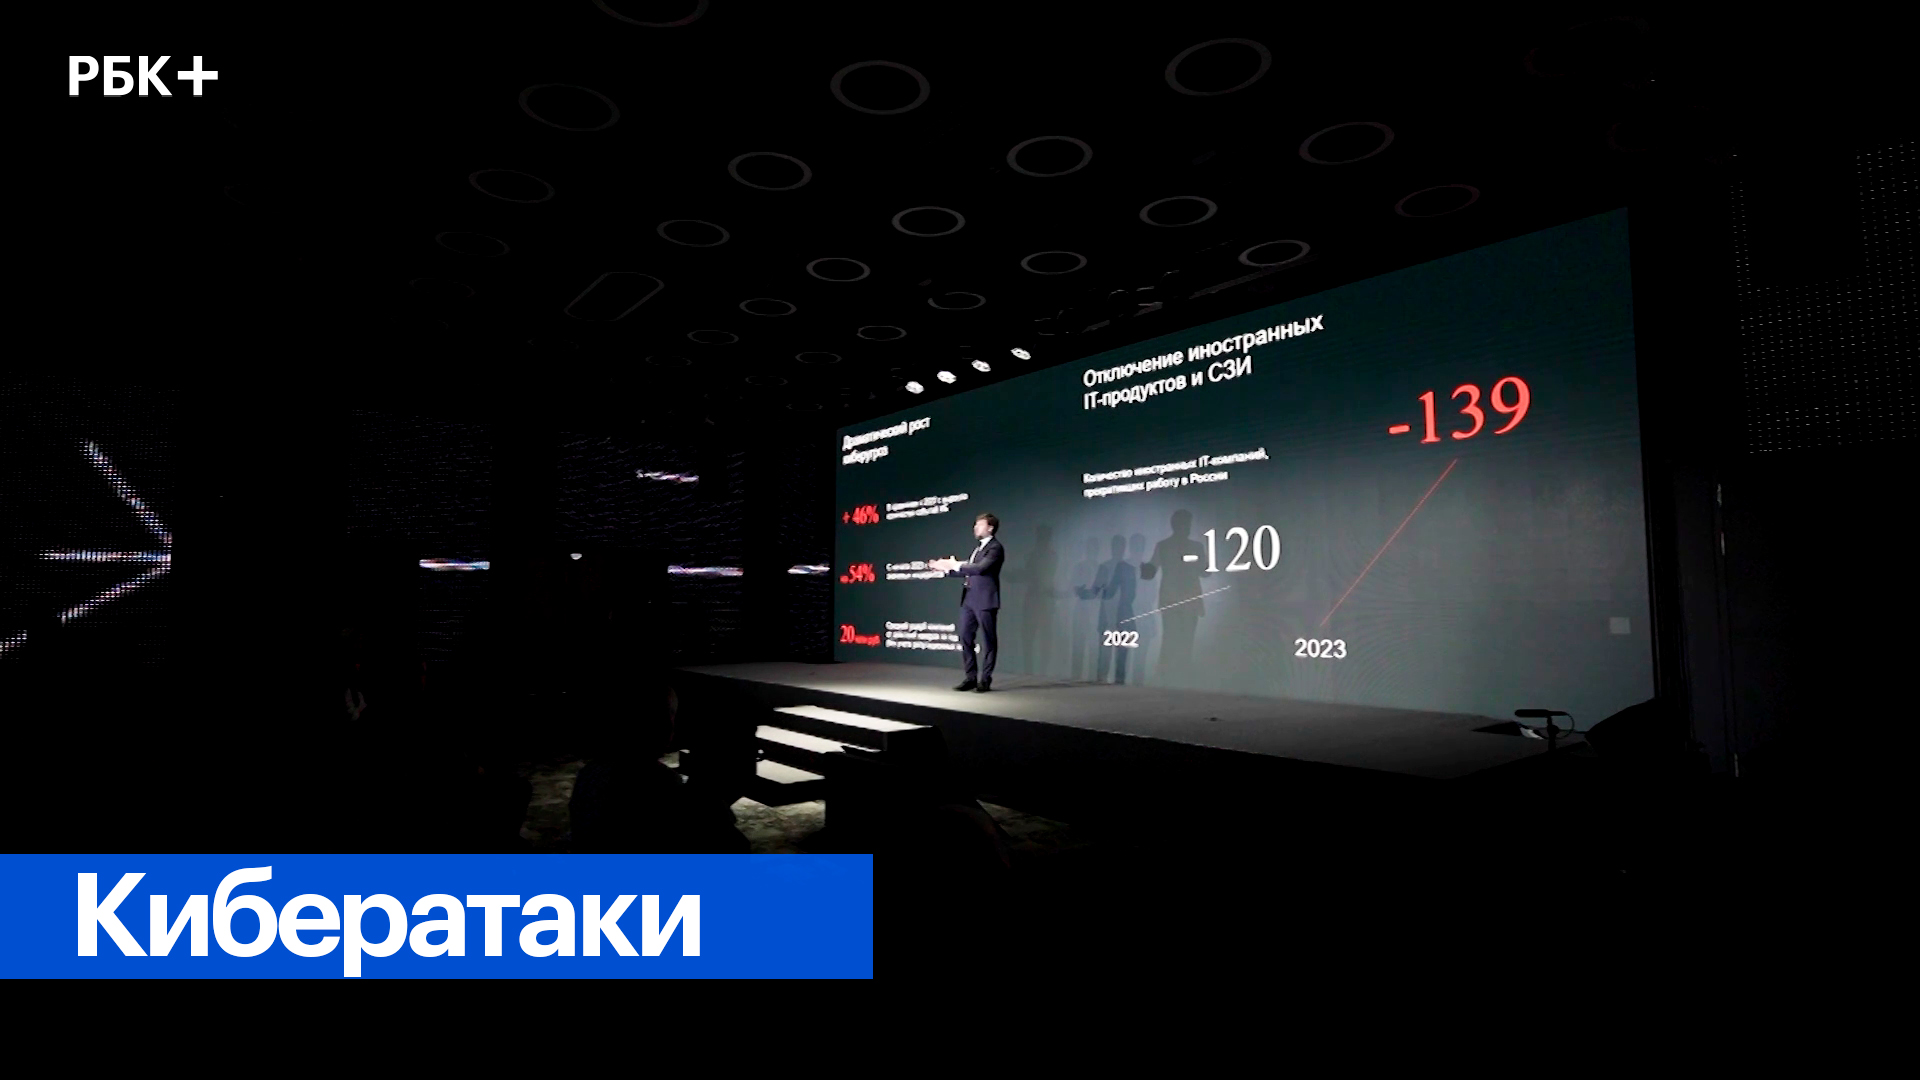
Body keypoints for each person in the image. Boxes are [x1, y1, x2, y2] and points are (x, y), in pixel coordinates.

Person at [931, 512, 1005, 692]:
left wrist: (954, 564)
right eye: (975, 525)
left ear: (990, 528)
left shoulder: (995, 548)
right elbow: (968, 571)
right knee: (965, 637)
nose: (975, 528)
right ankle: (970, 677)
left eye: (980, 525)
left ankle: (985, 680)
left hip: (985, 601)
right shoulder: (977, 549)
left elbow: (980, 569)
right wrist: (945, 569)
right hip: (969, 600)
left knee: (988, 641)